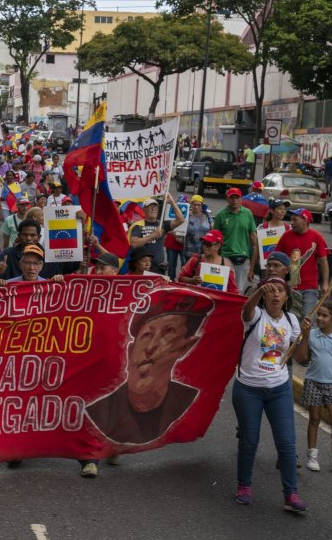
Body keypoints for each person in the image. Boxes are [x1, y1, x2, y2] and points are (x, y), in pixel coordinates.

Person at [86, 292, 211, 449]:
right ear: (131, 349)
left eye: (167, 333)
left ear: (185, 347)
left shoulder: (190, 402)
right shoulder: (100, 411)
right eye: (146, 335)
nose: (151, 347)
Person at [234, 277, 307, 512]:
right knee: (249, 441)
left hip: (279, 389)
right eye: (270, 291)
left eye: (280, 291)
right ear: (264, 296)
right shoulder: (255, 315)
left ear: (286, 297)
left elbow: (300, 357)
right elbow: (246, 311)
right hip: (248, 389)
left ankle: (291, 494)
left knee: (287, 443)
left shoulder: (291, 320)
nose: (275, 294)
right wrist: (256, 291)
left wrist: (306, 334)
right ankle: (244, 486)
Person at [295, 301, 332, 475]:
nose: (319, 318)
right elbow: (302, 356)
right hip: (313, 381)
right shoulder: (311, 334)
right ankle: (312, 455)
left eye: (324, 315)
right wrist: (304, 335)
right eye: (318, 315)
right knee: (314, 419)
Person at [273, 208, 329, 317]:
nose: (291, 223)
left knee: (307, 318)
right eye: (291, 220)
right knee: (289, 316)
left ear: (305, 220)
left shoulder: (317, 237)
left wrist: (325, 284)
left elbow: (323, 262)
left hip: (309, 287)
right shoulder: (286, 236)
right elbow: (276, 259)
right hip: (289, 286)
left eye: (295, 220)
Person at [213, 187, 258, 292]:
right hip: (225, 258)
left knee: (239, 291)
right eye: (231, 197)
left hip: (244, 259)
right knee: (224, 289)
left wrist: (256, 261)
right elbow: (215, 239)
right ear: (227, 199)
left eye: (237, 197)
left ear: (241, 199)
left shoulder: (248, 214)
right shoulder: (220, 215)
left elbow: (253, 236)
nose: (234, 200)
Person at [128, 198, 166, 274]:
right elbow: (134, 244)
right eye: (150, 207)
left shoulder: (162, 224)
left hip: (159, 268)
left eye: (155, 207)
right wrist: (153, 235)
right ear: (144, 209)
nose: (153, 209)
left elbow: (180, 220)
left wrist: (171, 202)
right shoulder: (137, 226)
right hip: (142, 269)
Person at [160, 192, 187, 279]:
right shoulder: (169, 210)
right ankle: (171, 282)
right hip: (171, 244)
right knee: (171, 266)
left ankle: (183, 283)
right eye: (179, 203)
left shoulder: (189, 213)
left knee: (185, 266)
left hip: (183, 244)